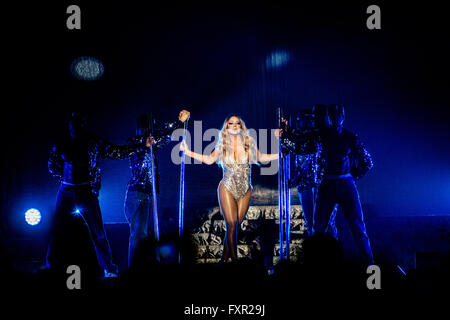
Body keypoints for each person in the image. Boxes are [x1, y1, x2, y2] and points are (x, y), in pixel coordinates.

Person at [48, 112, 153, 278]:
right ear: (70, 126)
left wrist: (142, 145)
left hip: (86, 190)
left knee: (97, 231)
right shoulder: (62, 144)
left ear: (83, 125)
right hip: (67, 191)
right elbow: (52, 165)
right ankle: (50, 265)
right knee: (57, 229)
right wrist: (66, 179)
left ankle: (109, 268)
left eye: (79, 123)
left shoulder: (93, 142)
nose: (76, 127)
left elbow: (117, 151)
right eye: (73, 124)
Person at [281, 104, 374, 265]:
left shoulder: (350, 137)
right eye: (333, 115)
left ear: (343, 117)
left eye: (339, 115)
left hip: (345, 184)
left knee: (358, 225)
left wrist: (352, 176)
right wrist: (285, 136)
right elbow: (300, 147)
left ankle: (369, 264)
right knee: (319, 228)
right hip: (327, 184)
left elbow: (367, 161)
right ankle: (315, 263)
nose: (336, 117)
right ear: (329, 117)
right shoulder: (320, 136)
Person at [180, 115, 279, 262]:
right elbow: (208, 160)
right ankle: (235, 261)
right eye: (230, 123)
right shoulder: (222, 145)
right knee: (231, 224)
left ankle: (223, 260)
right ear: (226, 127)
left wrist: (279, 153)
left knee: (235, 227)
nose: (234, 125)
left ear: (241, 126)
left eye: (237, 123)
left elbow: (261, 158)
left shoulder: (248, 142)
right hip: (227, 186)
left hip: (245, 188)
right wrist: (188, 152)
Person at [124, 110, 190, 267]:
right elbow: (159, 137)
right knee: (137, 235)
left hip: (147, 194)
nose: (149, 133)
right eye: (148, 129)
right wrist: (177, 121)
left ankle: (142, 266)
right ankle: (134, 268)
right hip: (135, 194)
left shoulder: (152, 142)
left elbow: (164, 137)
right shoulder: (134, 141)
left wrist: (178, 125)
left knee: (143, 234)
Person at [289, 105, 338, 238]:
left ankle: (332, 255)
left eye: (310, 120)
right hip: (305, 186)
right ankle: (315, 255)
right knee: (311, 224)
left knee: (328, 223)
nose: (306, 123)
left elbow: (302, 147)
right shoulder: (299, 136)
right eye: (303, 120)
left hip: (324, 185)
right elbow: (301, 163)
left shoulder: (322, 135)